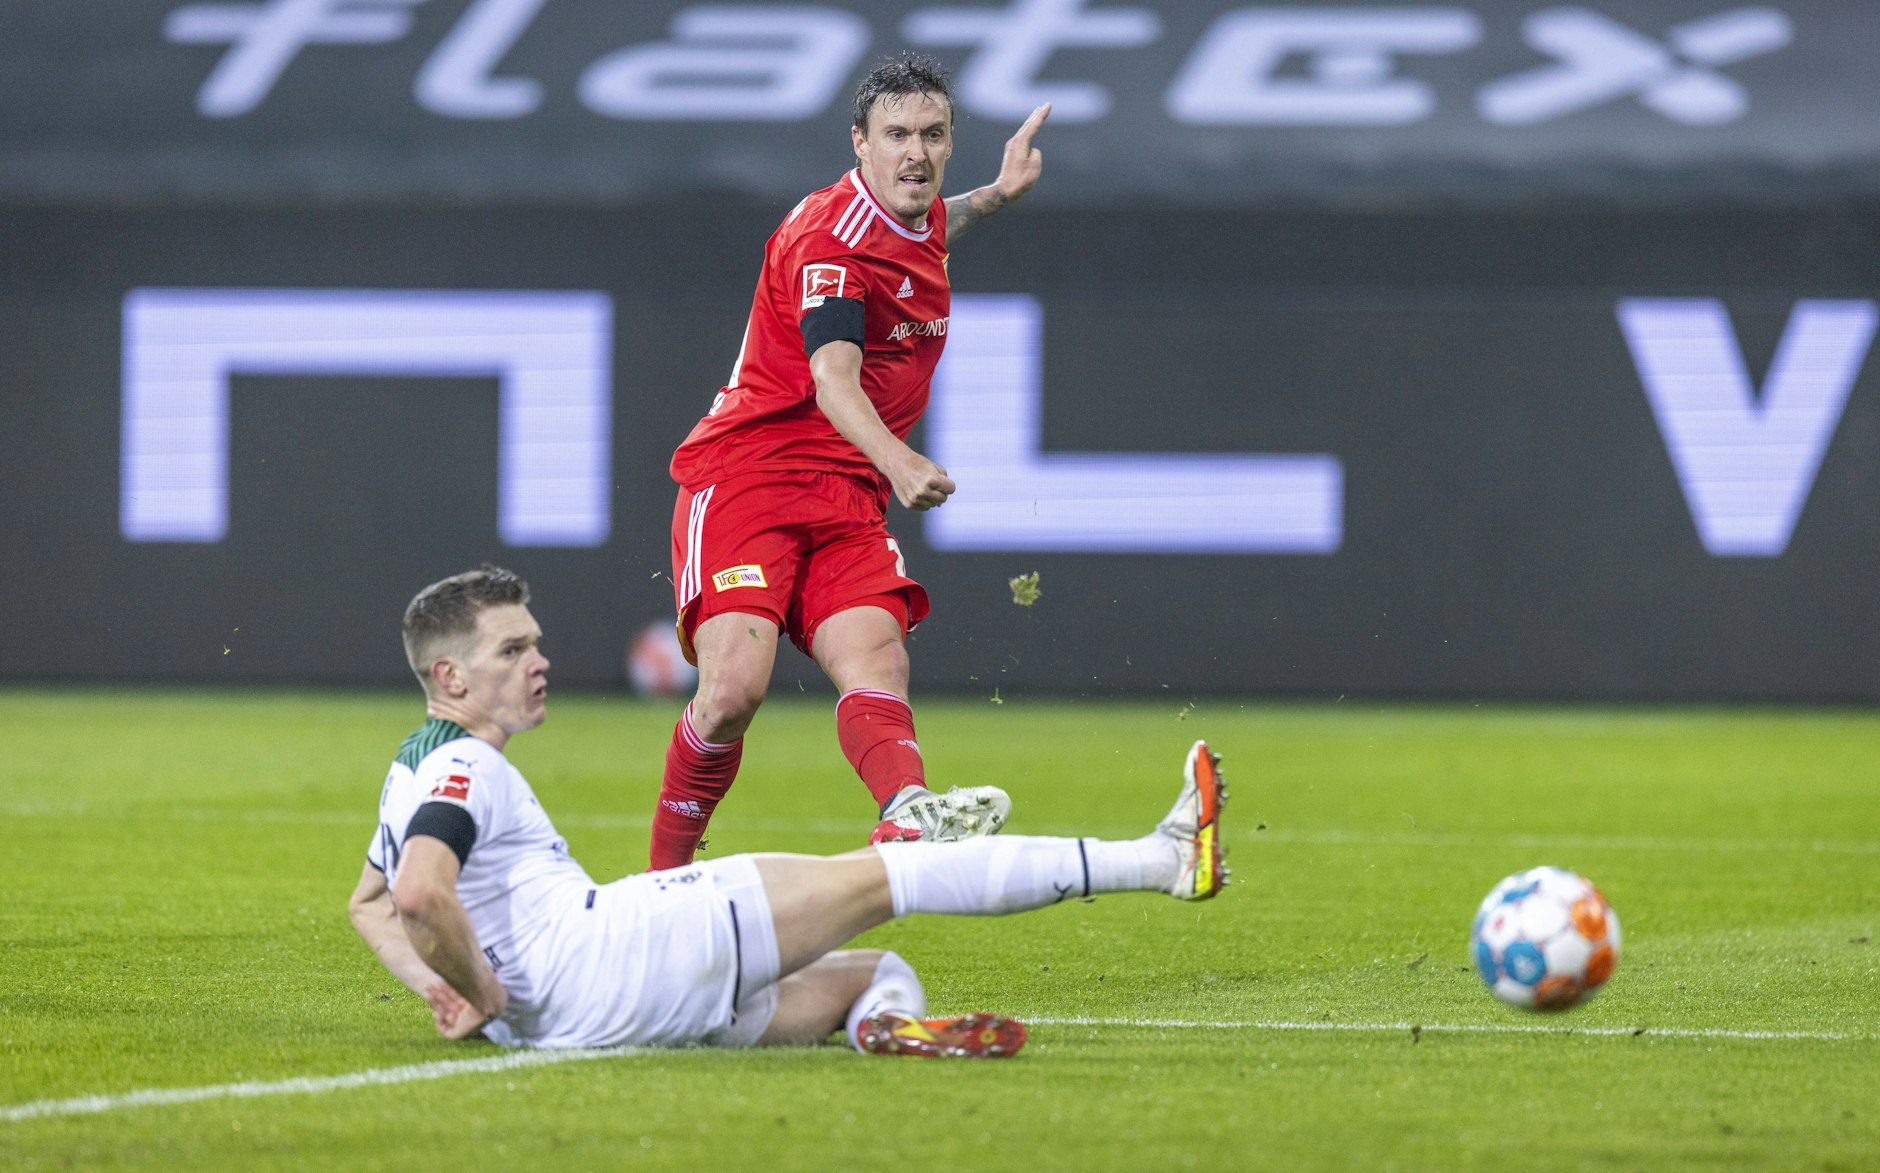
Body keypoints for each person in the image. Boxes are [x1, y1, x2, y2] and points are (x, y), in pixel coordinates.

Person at [350, 567, 1229, 1055]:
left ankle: (880, 1024)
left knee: (867, 965)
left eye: (536, 640)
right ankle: (1161, 858)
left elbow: (372, 902)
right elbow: (424, 895)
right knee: (901, 865)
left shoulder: (407, 770)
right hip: (616, 955)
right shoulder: (466, 763)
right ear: (450, 678)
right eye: (513, 648)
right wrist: (480, 988)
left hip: (571, 1018)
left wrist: (459, 995)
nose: (539, 660)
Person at [654, 55, 1054, 866]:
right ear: (859, 145)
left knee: (878, 653)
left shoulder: (909, 214)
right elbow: (832, 377)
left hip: (845, 495)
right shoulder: (828, 241)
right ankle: (659, 889)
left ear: (948, 144)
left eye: (932, 135)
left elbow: (935, 222)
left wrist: (997, 196)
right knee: (732, 692)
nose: (916, 152)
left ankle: (905, 810)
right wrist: (900, 460)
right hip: (750, 478)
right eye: (896, 134)